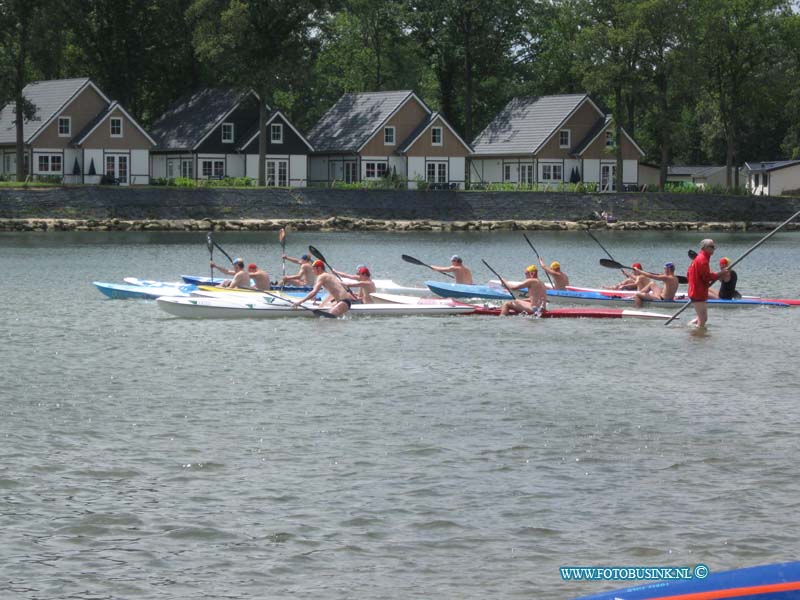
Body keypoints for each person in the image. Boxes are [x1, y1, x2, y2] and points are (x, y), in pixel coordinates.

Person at [687, 239, 727, 327]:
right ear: (705, 248)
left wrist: (716, 274)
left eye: (714, 247)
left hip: (699, 291)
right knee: (702, 319)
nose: (714, 249)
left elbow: (692, 273)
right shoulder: (702, 260)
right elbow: (707, 277)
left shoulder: (701, 258)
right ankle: (698, 337)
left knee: (703, 318)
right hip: (697, 292)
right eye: (712, 247)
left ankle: (690, 329)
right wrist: (721, 273)